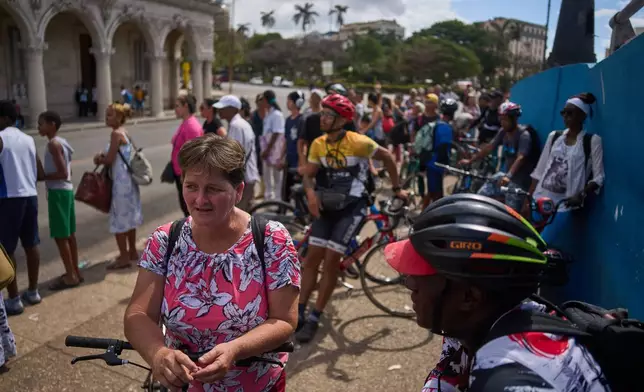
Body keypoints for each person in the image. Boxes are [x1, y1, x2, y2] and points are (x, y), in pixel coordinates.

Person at [124, 135, 300, 392]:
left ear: (238, 191)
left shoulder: (272, 240)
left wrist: (236, 348)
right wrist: (158, 353)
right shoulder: (165, 240)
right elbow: (138, 315)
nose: (200, 200)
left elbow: (284, 320)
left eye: (214, 189)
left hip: (257, 385)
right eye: (191, 186)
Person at [384, 194, 609, 392]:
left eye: (417, 279)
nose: (409, 286)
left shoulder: (505, 379)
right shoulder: (482, 320)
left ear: (469, 297)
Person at [295, 94, 407, 343]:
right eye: (322, 113)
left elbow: (388, 156)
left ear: (342, 120)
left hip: (352, 208)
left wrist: (397, 188)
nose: (322, 118)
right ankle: (300, 310)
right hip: (327, 207)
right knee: (312, 259)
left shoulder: (358, 142)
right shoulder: (318, 144)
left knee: (332, 260)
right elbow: (309, 175)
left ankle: (315, 316)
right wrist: (311, 194)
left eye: (328, 115)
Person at [529, 92, 605, 303]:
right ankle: (529, 292)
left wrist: (580, 194)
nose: (566, 117)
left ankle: (537, 297)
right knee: (531, 244)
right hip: (540, 201)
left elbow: (598, 177)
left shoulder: (592, 142)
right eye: (564, 113)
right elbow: (540, 169)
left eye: (570, 113)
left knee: (542, 246)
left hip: (564, 206)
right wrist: (529, 197)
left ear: (583, 115)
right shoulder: (554, 137)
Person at [0, 100, 43, 315]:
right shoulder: (28, 139)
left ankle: (14, 298)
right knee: (31, 244)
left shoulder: (1, 138)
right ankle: (33, 291)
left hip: (8, 198)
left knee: (7, 249)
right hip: (30, 195)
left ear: (5, 118)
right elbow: (38, 170)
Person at [459, 102, 538, 213]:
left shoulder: (524, 135)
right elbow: (489, 147)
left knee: (511, 212)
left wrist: (509, 176)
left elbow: (521, 157)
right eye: (500, 119)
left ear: (514, 119)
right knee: (482, 195)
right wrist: (470, 160)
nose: (502, 122)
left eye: (505, 119)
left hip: (519, 182)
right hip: (505, 176)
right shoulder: (503, 132)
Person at [93, 103, 143, 270]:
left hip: (121, 183)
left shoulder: (115, 134)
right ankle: (132, 251)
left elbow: (109, 160)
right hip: (128, 181)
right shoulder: (124, 132)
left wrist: (98, 159)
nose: (107, 118)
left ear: (120, 117)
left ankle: (123, 257)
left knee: (119, 219)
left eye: (110, 115)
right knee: (129, 216)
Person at [38, 110, 82, 289]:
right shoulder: (62, 142)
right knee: (69, 234)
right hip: (67, 191)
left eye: (41, 123)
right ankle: (75, 271)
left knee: (60, 236)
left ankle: (71, 276)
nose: (38, 127)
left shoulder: (53, 145)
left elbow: (63, 172)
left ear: (52, 125)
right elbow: (69, 171)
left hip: (58, 193)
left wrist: (42, 176)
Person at [214, 95, 260, 212]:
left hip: (244, 177)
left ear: (232, 109)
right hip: (247, 175)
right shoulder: (240, 124)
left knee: (238, 216)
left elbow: (234, 154)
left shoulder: (237, 126)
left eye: (222, 108)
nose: (219, 111)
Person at [171, 94, 204, 217]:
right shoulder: (185, 123)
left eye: (177, 106)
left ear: (186, 106)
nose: (175, 109)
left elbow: (195, 155)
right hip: (180, 173)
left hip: (185, 174)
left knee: (189, 210)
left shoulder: (191, 126)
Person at [258, 90, 286, 201]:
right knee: (266, 174)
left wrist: (268, 150)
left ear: (266, 100)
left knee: (277, 175)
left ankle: (278, 198)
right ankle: (268, 196)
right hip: (266, 146)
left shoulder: (277, 115)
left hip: (274, 148)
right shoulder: (268, 113)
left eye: (262, 100)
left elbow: (277, 133)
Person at [283, 91, 305, 202]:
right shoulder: (288, 120)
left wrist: (302, 162)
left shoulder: (302, 120)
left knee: (297, 188)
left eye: (289, 100)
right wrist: (282, 156)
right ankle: (284, 207)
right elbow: (286, 140)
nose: (287, 103)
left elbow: (303, 143)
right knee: (286, 187)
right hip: (289, 158)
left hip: (298, 160)